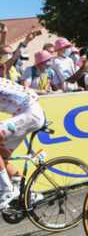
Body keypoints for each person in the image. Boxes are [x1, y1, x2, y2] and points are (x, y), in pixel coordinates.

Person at [0, 63, 45, 209]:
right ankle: (28, 193)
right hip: (26, 114)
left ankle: (7, 190)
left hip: (30, 115)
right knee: (2, 158)